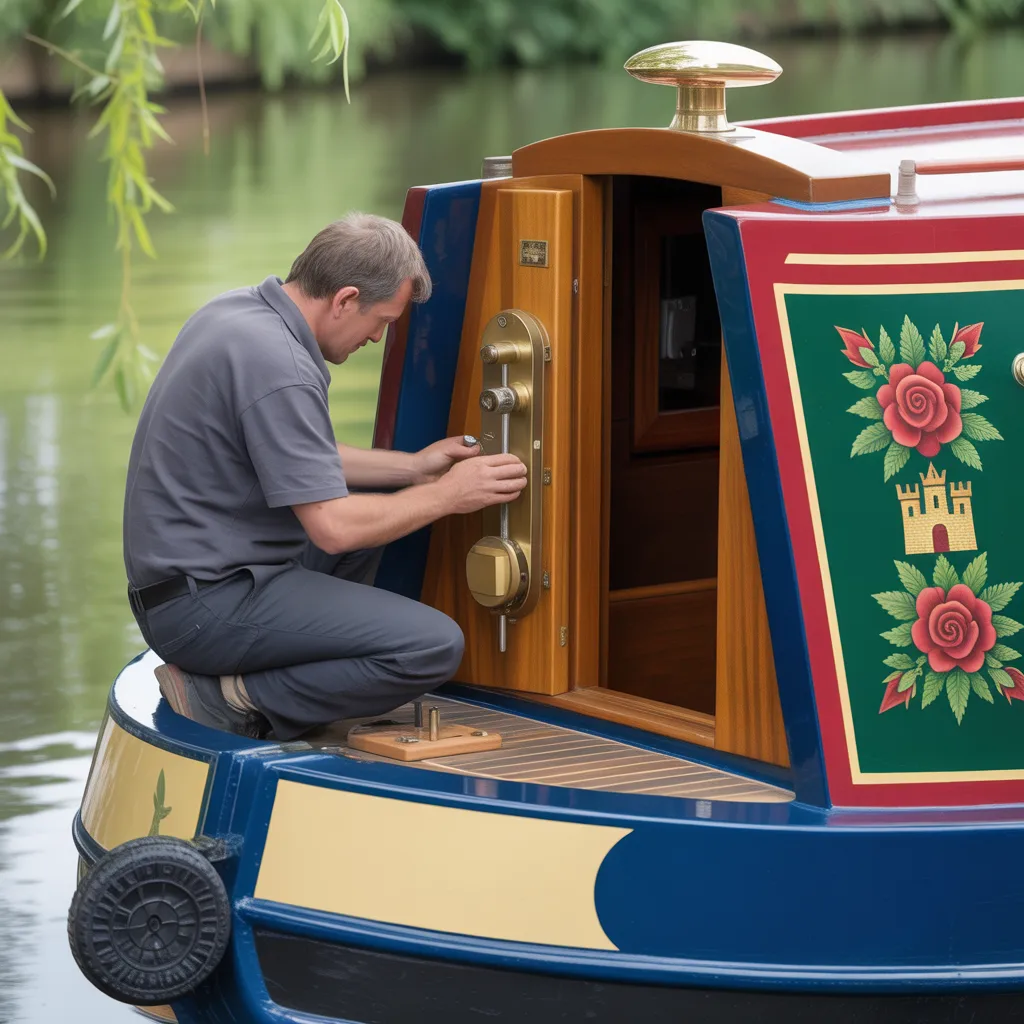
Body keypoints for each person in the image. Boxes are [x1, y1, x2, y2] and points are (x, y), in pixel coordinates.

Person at [123, 213, 527, 740]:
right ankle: (230, 698)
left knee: (380, 504)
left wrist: (413, 467)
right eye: (381, 320)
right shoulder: (280, 363)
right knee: (432, 646)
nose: (379, 337)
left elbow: (304, 456)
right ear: (344, 299)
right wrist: (450, 494)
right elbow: (333, 527)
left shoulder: (238, 313)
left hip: (186, 585)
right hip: (202, 607)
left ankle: (285, 672)